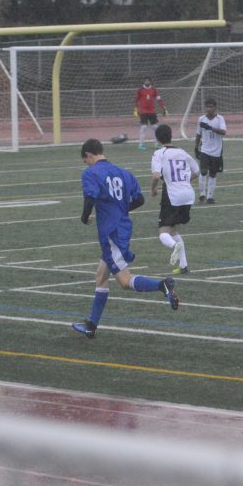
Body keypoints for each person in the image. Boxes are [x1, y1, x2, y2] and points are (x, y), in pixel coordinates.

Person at [72, 138, 179, 339]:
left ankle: (161, 285)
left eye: (85, 160)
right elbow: (139, 199)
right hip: (121, 229)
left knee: (124, 280)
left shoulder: (91, 173)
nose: (85, 164)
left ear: (88, 155)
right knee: (101, 276)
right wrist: (121, 209)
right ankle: (91, 325)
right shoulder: (124, 173)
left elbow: (90, 198)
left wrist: (85, 217)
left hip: (111, 233)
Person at [151, 124, 199, 275]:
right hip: (188, 194)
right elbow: (196, 172)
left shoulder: (159, 153)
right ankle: (183, 266)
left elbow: (156, 175)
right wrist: (184, 181)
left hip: (172, 195)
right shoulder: (182, 152)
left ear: (157, 139)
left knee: (163, 232)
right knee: (174, 229)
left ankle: (174, 246)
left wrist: (153, 189)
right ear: (171, 136)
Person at [194, 98, 227, 204]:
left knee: (213, 173)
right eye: (207, 106)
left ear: (215, 107)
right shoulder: (201, 119)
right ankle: (202, 195)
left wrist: (210, 127)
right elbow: (198, 134)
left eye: (211, 106)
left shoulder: (220, 119)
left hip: (217, 151)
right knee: (203, 172)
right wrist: (196, 147)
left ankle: (210, 197)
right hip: (205, 150)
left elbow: (223, 132)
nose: (209, 109)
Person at [133, 77, 168, 151]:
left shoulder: (154, 90)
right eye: (145, 81)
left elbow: (159, 99)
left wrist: (164, 107)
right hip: (143, 112)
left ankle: (156, 144)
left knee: (155, 128)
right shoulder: (140, 90)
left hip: (152, 112)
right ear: (143, 82)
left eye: (148, 81)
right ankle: (141, 145)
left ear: (150, 82)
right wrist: (136, 109)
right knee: (143, 128)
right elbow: (136, 99)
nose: (147, 82)